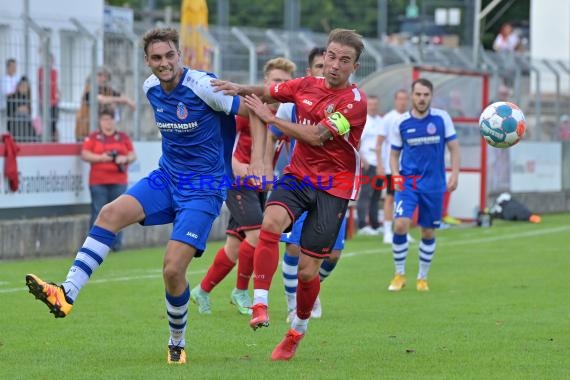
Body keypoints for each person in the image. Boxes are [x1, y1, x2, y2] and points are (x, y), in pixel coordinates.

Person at [25, 26, 248, 365]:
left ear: (180, 55)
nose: (164, 63)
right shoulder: (149, 89)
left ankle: (177, 342)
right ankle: (65, 293)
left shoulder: (203, 85)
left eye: (169, 55)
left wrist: (257, 157)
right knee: (108, 214)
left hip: (203, 188)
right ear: (147, 61)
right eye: (156, 57)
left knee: (173, 270)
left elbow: (253, 111)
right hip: (167, 178)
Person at [213, 28, 367, 361]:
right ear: (323, 57)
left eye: (345, 60)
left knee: (308, 272)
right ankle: (260, 304)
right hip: (298, 176)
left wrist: (272, 119)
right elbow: (268, 90)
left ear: (354, 66)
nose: (335, 64)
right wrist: (238, 88)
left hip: (334, 187)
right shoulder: (304, 85)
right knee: (271, 221)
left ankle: (296, 331)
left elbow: (316, 136)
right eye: (331, 56)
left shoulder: (355, 102)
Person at [190, 57, 296, 316]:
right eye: (276, 80)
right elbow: (221, 137)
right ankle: (240, 291)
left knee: (235, 246)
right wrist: (235, 163)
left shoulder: (285, 112)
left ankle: (202, 290)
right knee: (258, 235)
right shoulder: (247, 106)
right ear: (265, 82)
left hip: (260, 183)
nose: (280, 85)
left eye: (285, 81)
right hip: (237, 181)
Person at [271, 47, 346, 323]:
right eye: (319, 65)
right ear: (310, 71)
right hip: (300, 184)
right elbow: (273, 137)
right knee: (293, 247)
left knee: (333, 255)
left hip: (333, 188)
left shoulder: (345, 102)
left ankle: (310, 288)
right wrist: (265, 168)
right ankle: (293, 304)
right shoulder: (291, 105)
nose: (325, 69)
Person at [388, 78, 460, 292]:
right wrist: (395, 175)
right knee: (401, 224)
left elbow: (454, 148)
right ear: (412, 95)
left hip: (434, 184)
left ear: (431, 96)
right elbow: (394, 154)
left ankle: (422, 277)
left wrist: (455, 174)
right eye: (418, 94)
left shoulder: (441, 118)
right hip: (408, 182)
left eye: (425, 95)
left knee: (428, 231)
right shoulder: (400, 122)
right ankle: (399, 274)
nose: (421, 98)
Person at [81, 107, 136, 252]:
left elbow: (133, 155)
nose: (108, 123)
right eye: (105, 119)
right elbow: (85, 154)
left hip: (119, 181)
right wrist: (101, 158)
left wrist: (125, 158)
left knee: (119, 214)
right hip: (98, 181)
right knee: (98, 213)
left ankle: (116, 245)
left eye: (110, 119)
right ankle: (93, 246)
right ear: (100, 121)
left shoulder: (123, 137)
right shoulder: (93, 137)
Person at [377, 89, 409, 244]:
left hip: (408, 166)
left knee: (405, 199)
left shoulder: (410, 117)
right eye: (400, 99)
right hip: (392, 166)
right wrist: (380, 164)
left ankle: (403, 230)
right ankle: (387, 231)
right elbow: (380, 142)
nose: (402, 102)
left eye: (405, 99)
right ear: (395, 100)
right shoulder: (388, 118)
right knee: (390, 198)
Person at [75, 66, 136, 141]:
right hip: (85, 129)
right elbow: (101, 99)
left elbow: (123, 98)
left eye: (105, 76)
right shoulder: (88, 89)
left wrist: (127, 100)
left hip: (101, 131)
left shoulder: (106, 90)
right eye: (99, 75)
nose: (103, 78)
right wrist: (122, 100)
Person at [356, 94, 383, 235]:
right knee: (365, 194)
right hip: (367, 164)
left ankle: (375, 224)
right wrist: (363, 160)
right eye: (371, 104)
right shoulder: (363, 121)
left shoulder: (380, 121)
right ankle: (361, 225)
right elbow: (356, 142)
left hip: (378, 164)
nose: (373, 107)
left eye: (375, 104)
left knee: (376, 195)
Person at [38, 54, 60, 142]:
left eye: (51, 60)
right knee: (46, 121)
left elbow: (55, 84)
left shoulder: (54, 72)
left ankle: (54, 140)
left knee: (54, 121)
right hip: (44, 102)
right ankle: (46, 139)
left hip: (54, 101)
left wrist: (58, 93)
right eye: (48, 60)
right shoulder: (40, 71)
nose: (50, 62)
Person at [6, 76, 36, 142]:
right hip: (15, 124)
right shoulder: (12, 97)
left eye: (26, 86)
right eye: (22, 85)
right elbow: (9, 113)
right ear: (18, 86)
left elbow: (29, 115)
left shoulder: (27, 99)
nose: (24, 88)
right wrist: (18, 109)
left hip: (24, 125)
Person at [1, 58, 19, 131]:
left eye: (15, 66)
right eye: (12, 66)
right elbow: (6, 92)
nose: (14, 68)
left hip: (15, 107)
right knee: (4, 125)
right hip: (4, 106)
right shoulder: (3, 79)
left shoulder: (17, 78)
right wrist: (16, 92)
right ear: (8, 67)